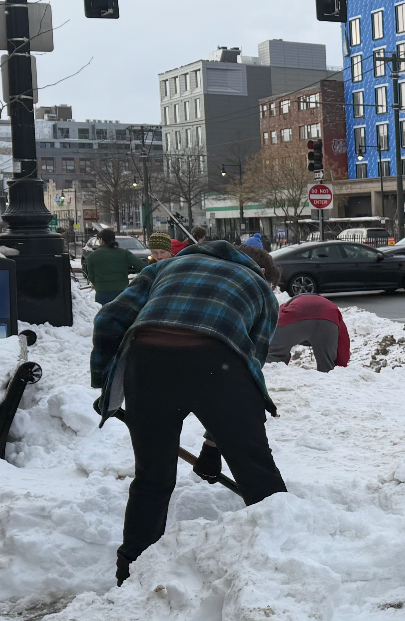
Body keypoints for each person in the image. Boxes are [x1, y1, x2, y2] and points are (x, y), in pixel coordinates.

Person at [91, 240, 288, 584]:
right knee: (255, 468)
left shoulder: (164, 267)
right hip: (217, 363)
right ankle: (285, 558)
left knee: (152, 477)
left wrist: (107, 383)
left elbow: (109, 317)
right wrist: (216, 447)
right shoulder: (259, 287)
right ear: (262, 272)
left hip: (148, 363)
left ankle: (130, 572)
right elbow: (249, 365)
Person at [268, 291, 350, 370]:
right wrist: (341, 363)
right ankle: (329, 374)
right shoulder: (328, 304)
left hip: (294, 317)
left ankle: (272, 371)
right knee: (328, 364)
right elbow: (343, 339)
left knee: (274, 357)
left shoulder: (282, 309)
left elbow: (275, 329)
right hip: (328, 318)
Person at [82, 229, 141, 304]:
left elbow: (90, 274)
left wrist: (97, 285)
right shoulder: (124, 253)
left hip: (102, 292)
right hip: (121, 290)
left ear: (101, 240)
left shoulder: (93, 255)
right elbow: (141, 265)